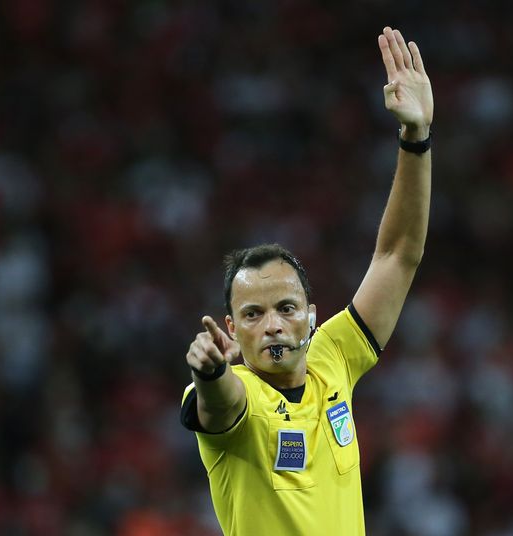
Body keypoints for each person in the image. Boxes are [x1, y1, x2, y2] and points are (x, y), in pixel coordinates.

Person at [180, 26, 433, 535]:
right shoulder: (238, 396)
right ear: (232, 328)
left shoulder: (332, 356)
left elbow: (397, 255)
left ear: (313, 317)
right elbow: (221, 403)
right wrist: (209, 375)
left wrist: (416, 138)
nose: (273, 325)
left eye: (286, 308)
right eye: (253, 314)